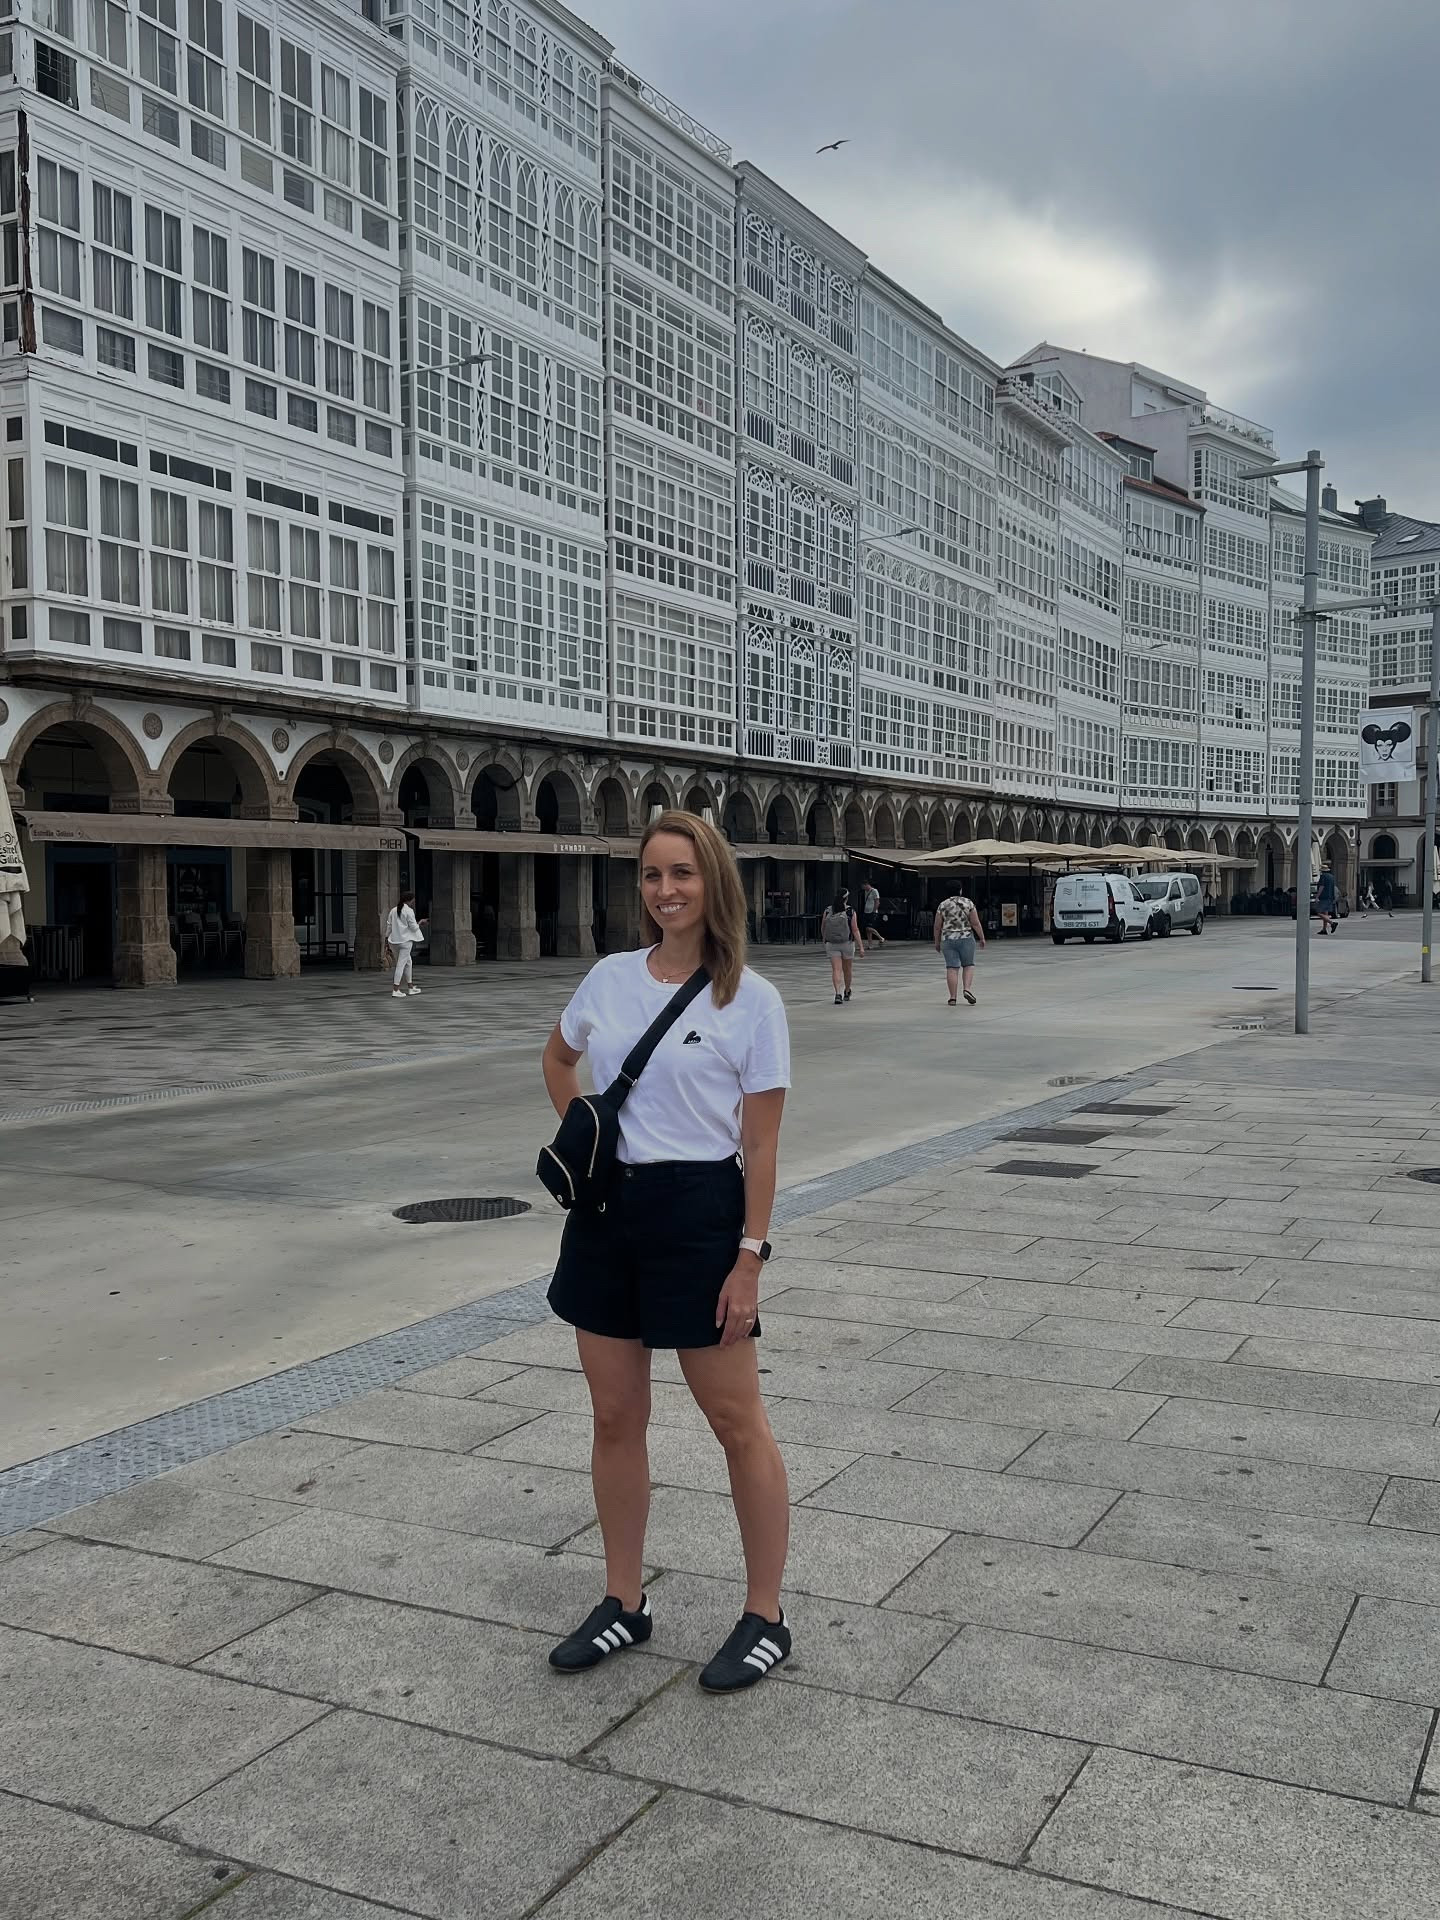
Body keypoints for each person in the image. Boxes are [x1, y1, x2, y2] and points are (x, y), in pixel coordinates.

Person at [540, 809, 793, 1692]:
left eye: (681, 873)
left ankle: (766, 1613)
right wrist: (587, 1133)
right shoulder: (609, 979)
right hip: (610, 1212)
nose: (665, 891)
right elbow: (559, 1059)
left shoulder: (750, 1000)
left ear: (712, 881)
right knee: (615, 1417)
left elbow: (760, 1147)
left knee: (735, 1423)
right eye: (651, 875)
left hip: (700, 1213)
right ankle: (624, 1600)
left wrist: (749, 1257)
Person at [934, 888, 986, 1005]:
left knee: (952, 968)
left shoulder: (942, 905)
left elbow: (937, 926)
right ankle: (967, 989)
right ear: (960, 890)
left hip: (948, 939)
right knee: (968, 965)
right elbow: (975, 923)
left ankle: (952, 998)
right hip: (966, 938)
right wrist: (982, 937)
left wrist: (937, 942)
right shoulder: (968, 903)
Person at [820, 889, 863, 1004]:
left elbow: (823, 926)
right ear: (846, 898)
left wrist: (824, 940)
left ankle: (837, 993)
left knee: (836, 969)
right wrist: (861, 946)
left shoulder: (828, 910)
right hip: (847, 943)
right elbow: (855, 929)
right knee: (847, 969)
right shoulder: (850, 911)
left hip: (832, 943)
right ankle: (847, 991)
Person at [384, 891, 427, 996]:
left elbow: (389, 926)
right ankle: (396, 989)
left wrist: (386, 939)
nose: (414, 901)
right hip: (406, 941)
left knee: (408, 963)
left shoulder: (393, 910)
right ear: (410, 900)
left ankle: (410, 987)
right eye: (413, 899)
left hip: (395, 941)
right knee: (401, 964)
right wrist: (421, 922)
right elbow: (413, 927)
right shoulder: (409, 911)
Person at [1315, 864, 1338, 936]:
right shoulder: (1332, 877)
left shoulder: (1323, 876)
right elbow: (1333, 887)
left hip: (1324, 897)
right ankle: (1324, 929)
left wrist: (1317, 896)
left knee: (1319, 913)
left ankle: (1332, 923)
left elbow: (1321, 886)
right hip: (1330, 897)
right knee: (1325, 913)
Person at [860, 880, 885, 946]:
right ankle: (870, 944)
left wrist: (874, 910)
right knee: (867, 929)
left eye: (863, 886)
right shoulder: (865, 891)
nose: (863, 888)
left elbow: (877, 901)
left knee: (869, 927)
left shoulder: (874, 891)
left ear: (867, 884)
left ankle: (881, 938)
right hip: (866, 911)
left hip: (872, 912)